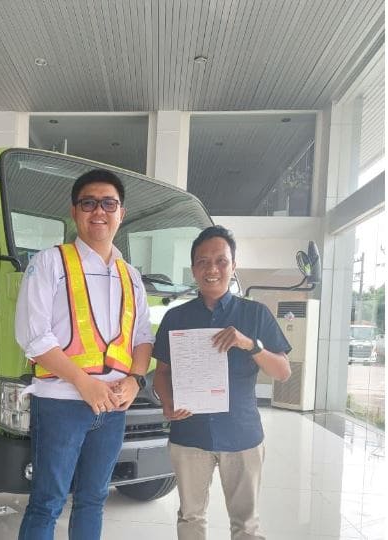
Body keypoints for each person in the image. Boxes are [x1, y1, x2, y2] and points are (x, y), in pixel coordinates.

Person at [15, 168, 154, 540]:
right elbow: (33, 337)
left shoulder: (131, 275)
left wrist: (135, 380)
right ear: (74, 211)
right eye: (88, 203)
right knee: (47, 502)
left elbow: (142, 337)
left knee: (94, 500)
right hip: (61, 403)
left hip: (114, 407)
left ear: (121, 213)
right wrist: (83, 383)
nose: (99, 211)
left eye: (109, 203)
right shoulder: (50, 263)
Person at [153, 225, 292, 540]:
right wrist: (168, 404)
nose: (212, 269)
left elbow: (283, 372)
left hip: (241, 434)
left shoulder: (255, 314)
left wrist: (250, 345)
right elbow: (162, 373)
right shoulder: (176, 318)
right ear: (193, 269)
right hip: (189, 433)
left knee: (246, 525)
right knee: (190, 517)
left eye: (221, 261)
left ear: (233, 266)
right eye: (202, 262)